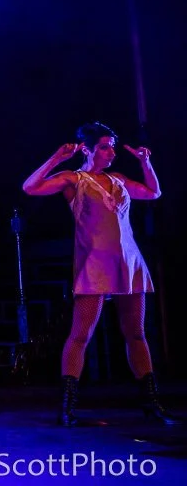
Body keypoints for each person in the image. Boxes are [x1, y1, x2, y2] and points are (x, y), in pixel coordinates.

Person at [22, 121, 178, 426]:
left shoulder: (118, 179)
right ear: (88, 149)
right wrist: (56, 159)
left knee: (136, 333)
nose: (111, 152)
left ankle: (151, 403)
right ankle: (67, 407)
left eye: (112, 147)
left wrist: (146, 163)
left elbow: (153, 192)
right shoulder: (74, 180)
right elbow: (30, 188)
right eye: (105, 146)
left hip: (128, 261)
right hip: (94, 263)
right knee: (81, 335)